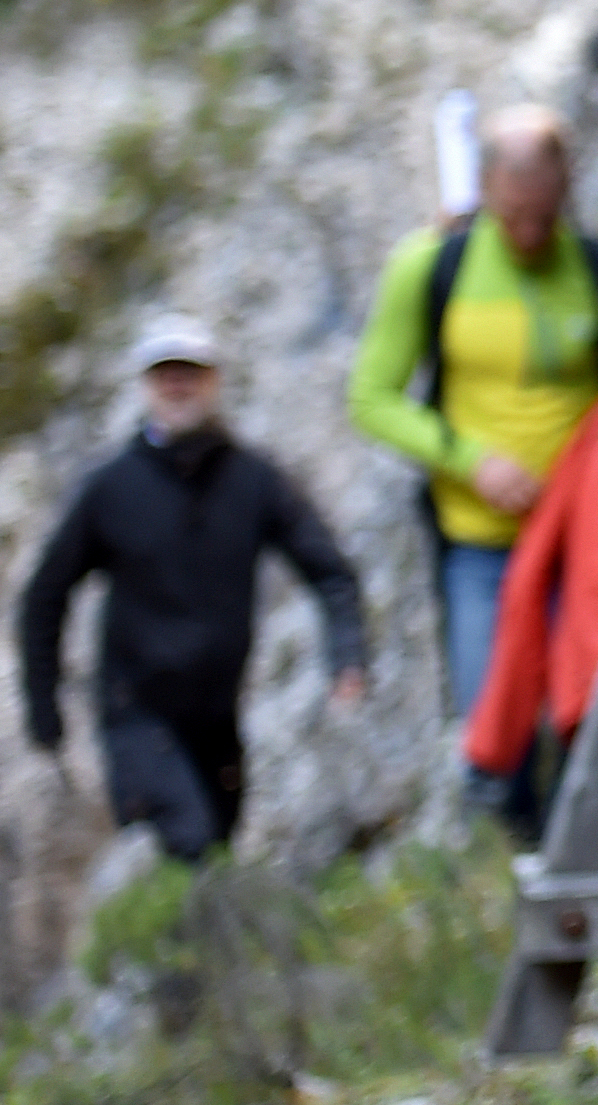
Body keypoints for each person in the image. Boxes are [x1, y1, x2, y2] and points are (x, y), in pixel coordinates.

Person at [19, 317, 366, 861]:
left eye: (190, 372)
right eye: (164, 374)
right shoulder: (111, 486)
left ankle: (178, 944)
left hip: (217, 714)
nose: (178, 386)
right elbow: (44, 597)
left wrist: (347, 659)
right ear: (146, 386)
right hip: (137, 712)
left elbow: (330, 571)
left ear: (215, 380)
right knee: (189, 840)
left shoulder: (255, 480)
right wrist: (44, 710)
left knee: (218, 851)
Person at [349, 103, 598, 816]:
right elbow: (372, 397)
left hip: (574, 544)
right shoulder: (433, 266)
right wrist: (468, 459)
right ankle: (509, 871)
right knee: (495, 726)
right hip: (479, 545)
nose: (529, 230)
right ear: (487, 188)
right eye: (515, 211)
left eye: (543, 212)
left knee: (593, 713)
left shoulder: (588, 263)